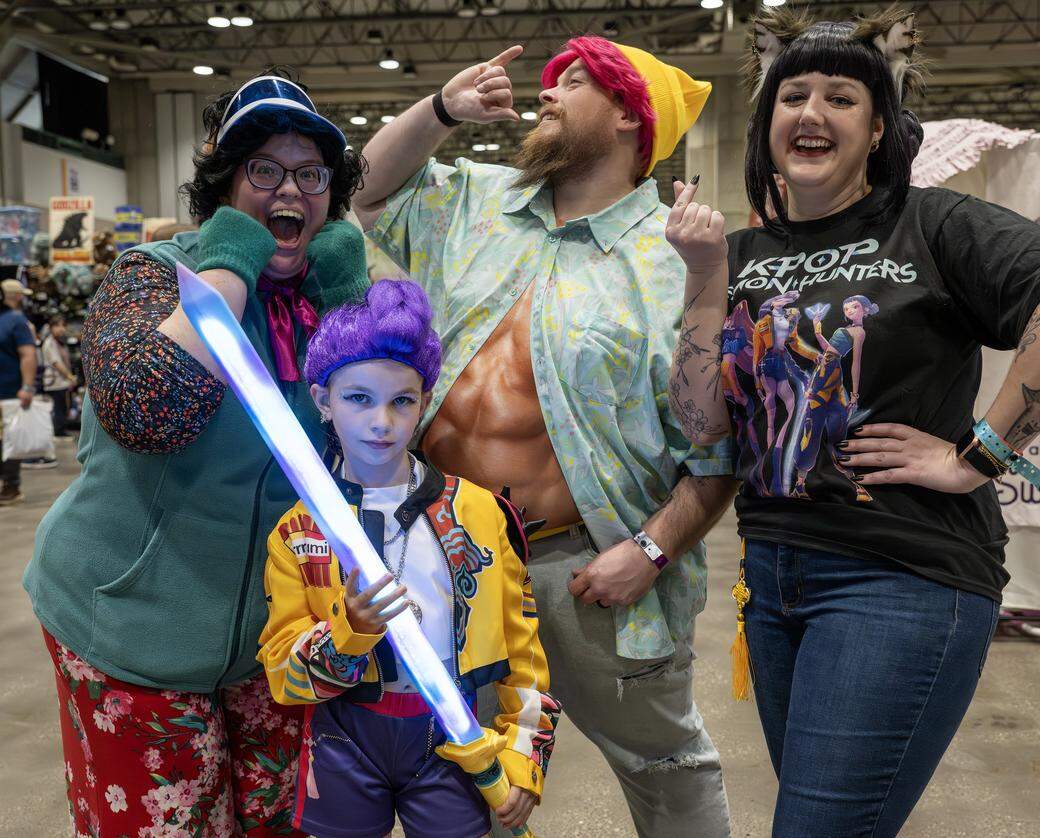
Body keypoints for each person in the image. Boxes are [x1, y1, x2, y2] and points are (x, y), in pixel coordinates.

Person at [666, 8, 1040, 836]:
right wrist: (704, 279)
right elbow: (704, 424)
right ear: (767, 119)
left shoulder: (932, 223)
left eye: (840, 98)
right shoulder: (740, 254)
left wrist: (975, 455)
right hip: (773, 580)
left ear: (878, 126)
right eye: (793, 95)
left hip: (898, 577)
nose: (811, 114)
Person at [353, 36, 738, 836]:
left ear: (634, 115)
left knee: (666, 766)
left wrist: (653, 550)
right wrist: (439, 111)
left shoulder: (671, 256)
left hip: (587, 567)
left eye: (575, 80)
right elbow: (369, 191)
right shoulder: (479, 200)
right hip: (444, 549)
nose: (548, 92)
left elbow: (714, 447)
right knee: (465, 768)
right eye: (551, 78)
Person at [22, 70, 369, 835]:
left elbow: (385, 447)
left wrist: (350, 304)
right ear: (223, 187)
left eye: (311, 175)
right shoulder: (148, 276)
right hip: (131, 631)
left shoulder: (322, 301)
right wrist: (228, 265)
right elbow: (153, 410)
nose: (291, 192)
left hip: (274, 648)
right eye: (264, 170)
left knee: (278, 824)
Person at [259, 279, 560, 837]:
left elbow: (524, 648)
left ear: (424, 401)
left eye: (402, 400)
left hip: (453, 735)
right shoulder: (299, 530)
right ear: (323, 401)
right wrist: (350, 630)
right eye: (358, 398)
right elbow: (283, 675)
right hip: (344, 738)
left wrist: (523, 756)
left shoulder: (480, 513)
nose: (382, 422)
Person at [1, 278, 36, 505]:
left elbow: (28, 354)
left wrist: (27, 386)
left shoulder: (16, 321)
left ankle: (11, 487)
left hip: (9, 392)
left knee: (9, 441)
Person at [41, 314, 77, 438]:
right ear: (51, 328)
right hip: (54, 381)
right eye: (57, 326)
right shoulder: (49, 343)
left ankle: (61, 429)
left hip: (61, 381)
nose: (61, 329)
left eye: (63, 326)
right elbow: (56, 363)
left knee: (62, 405)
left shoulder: (60, 342)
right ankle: (59, 431)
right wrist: (69, 376)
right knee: (58, 407)